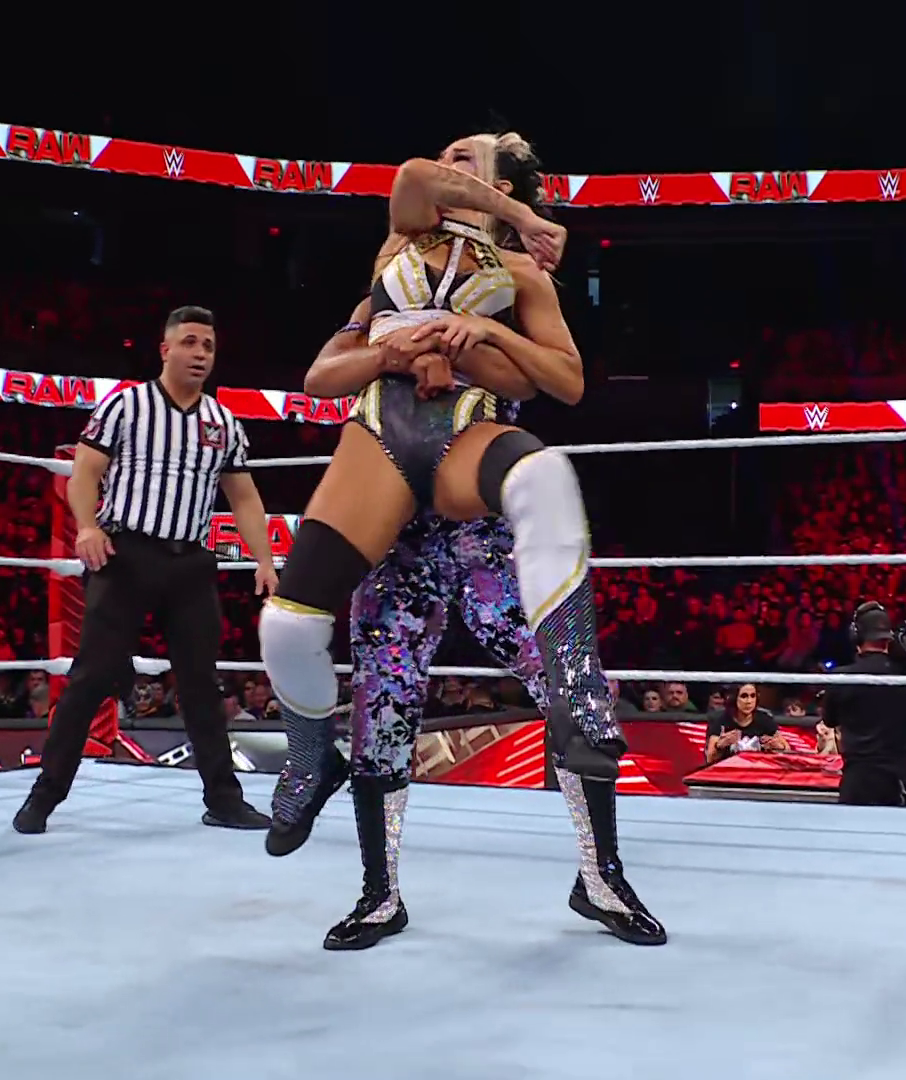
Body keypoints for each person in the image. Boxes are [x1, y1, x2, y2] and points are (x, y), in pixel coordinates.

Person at [257, 132, 663, 946]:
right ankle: (375, 887)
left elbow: (562, 382)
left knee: (559, 673)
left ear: (499, 185)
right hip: (387, 494)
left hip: (474, 495)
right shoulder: (399, 246)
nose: (446, 165)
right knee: (366, 677)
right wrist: (393, 349)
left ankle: (601, 876)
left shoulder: (520, 276)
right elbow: (327, 367)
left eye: (465, 157)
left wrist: (485, 334)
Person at [14, 306, 277, 835]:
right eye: (190, 343)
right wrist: (87, 527)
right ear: (166, 349)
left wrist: (265, 559)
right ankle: (43, 798)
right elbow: (84, 473)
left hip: (190, 563)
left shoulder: (223, 422)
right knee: (90, 677)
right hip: (126, 555)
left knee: (202, 683)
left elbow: (244, 497)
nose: (200, 354)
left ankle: (224, 800)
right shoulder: (126, 405)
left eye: (208, 346)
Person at [821, 602, 906, 806]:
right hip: (903, 780)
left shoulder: (842, 677)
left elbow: (830, 719)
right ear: (888, 639)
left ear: (856, 637)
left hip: (861, 779)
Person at [704, 683, 790, 764]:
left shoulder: (765, 720)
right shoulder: (720, 720)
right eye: (744, 696)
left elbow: (787, 751)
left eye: (753, 696)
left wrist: (779, 748)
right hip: (729, 771)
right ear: (734, 698)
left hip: (758, 771)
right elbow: (709, 759)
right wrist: (719, 746)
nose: (749, 701)